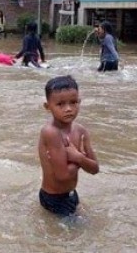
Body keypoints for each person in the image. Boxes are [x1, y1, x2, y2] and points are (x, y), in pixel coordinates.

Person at [38, 76, 99, 217]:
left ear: (79, 102)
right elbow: (62, 176)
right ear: (48, 107)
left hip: (72, 193)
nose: (68, 109)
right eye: (60, 104)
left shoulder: (81, 130)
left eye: (73, 102)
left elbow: (95, 169)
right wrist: (81, 160)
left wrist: (78, 157)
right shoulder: (51, 132)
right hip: (54, 199)